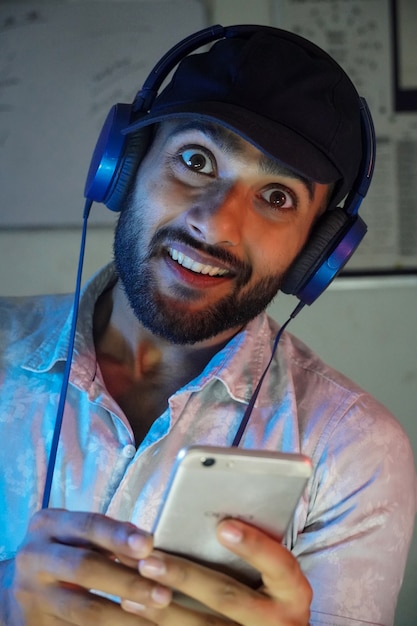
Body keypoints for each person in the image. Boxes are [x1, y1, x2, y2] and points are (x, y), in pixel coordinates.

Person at [0, 24, 416, 626]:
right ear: (125, 168)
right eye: (196, 160)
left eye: (277, 197)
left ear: (314, 254)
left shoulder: (355, 451)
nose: (216, 224)